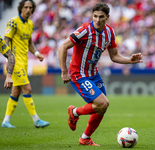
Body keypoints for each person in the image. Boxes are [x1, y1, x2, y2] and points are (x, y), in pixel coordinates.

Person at [58, 2, 143, 146]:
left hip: (94, 73)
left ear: (107, 17)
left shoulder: (109, 32)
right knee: (102, 103)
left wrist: (129, 60)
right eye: (95, 16)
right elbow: (63, 47)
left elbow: (114, 56)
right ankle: (74, 113)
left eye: (101, 17)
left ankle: (85, 138)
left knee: (102, 108)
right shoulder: (85, 30)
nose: (97, 20)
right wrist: (64, 71)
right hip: (78, 73)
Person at [1, 0, 49, 128]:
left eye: (30, 7)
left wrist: (37, 53)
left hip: (25, 61)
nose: (28, 10)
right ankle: (36, 120)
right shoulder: (13, 22)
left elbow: (29, 43)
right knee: (27, 88)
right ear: (20, 8)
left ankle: (6, 121)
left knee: (16, 91)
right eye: (26, 7)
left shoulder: (30, 24)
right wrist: (8, 59)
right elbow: (5, 42)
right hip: (15, 61)